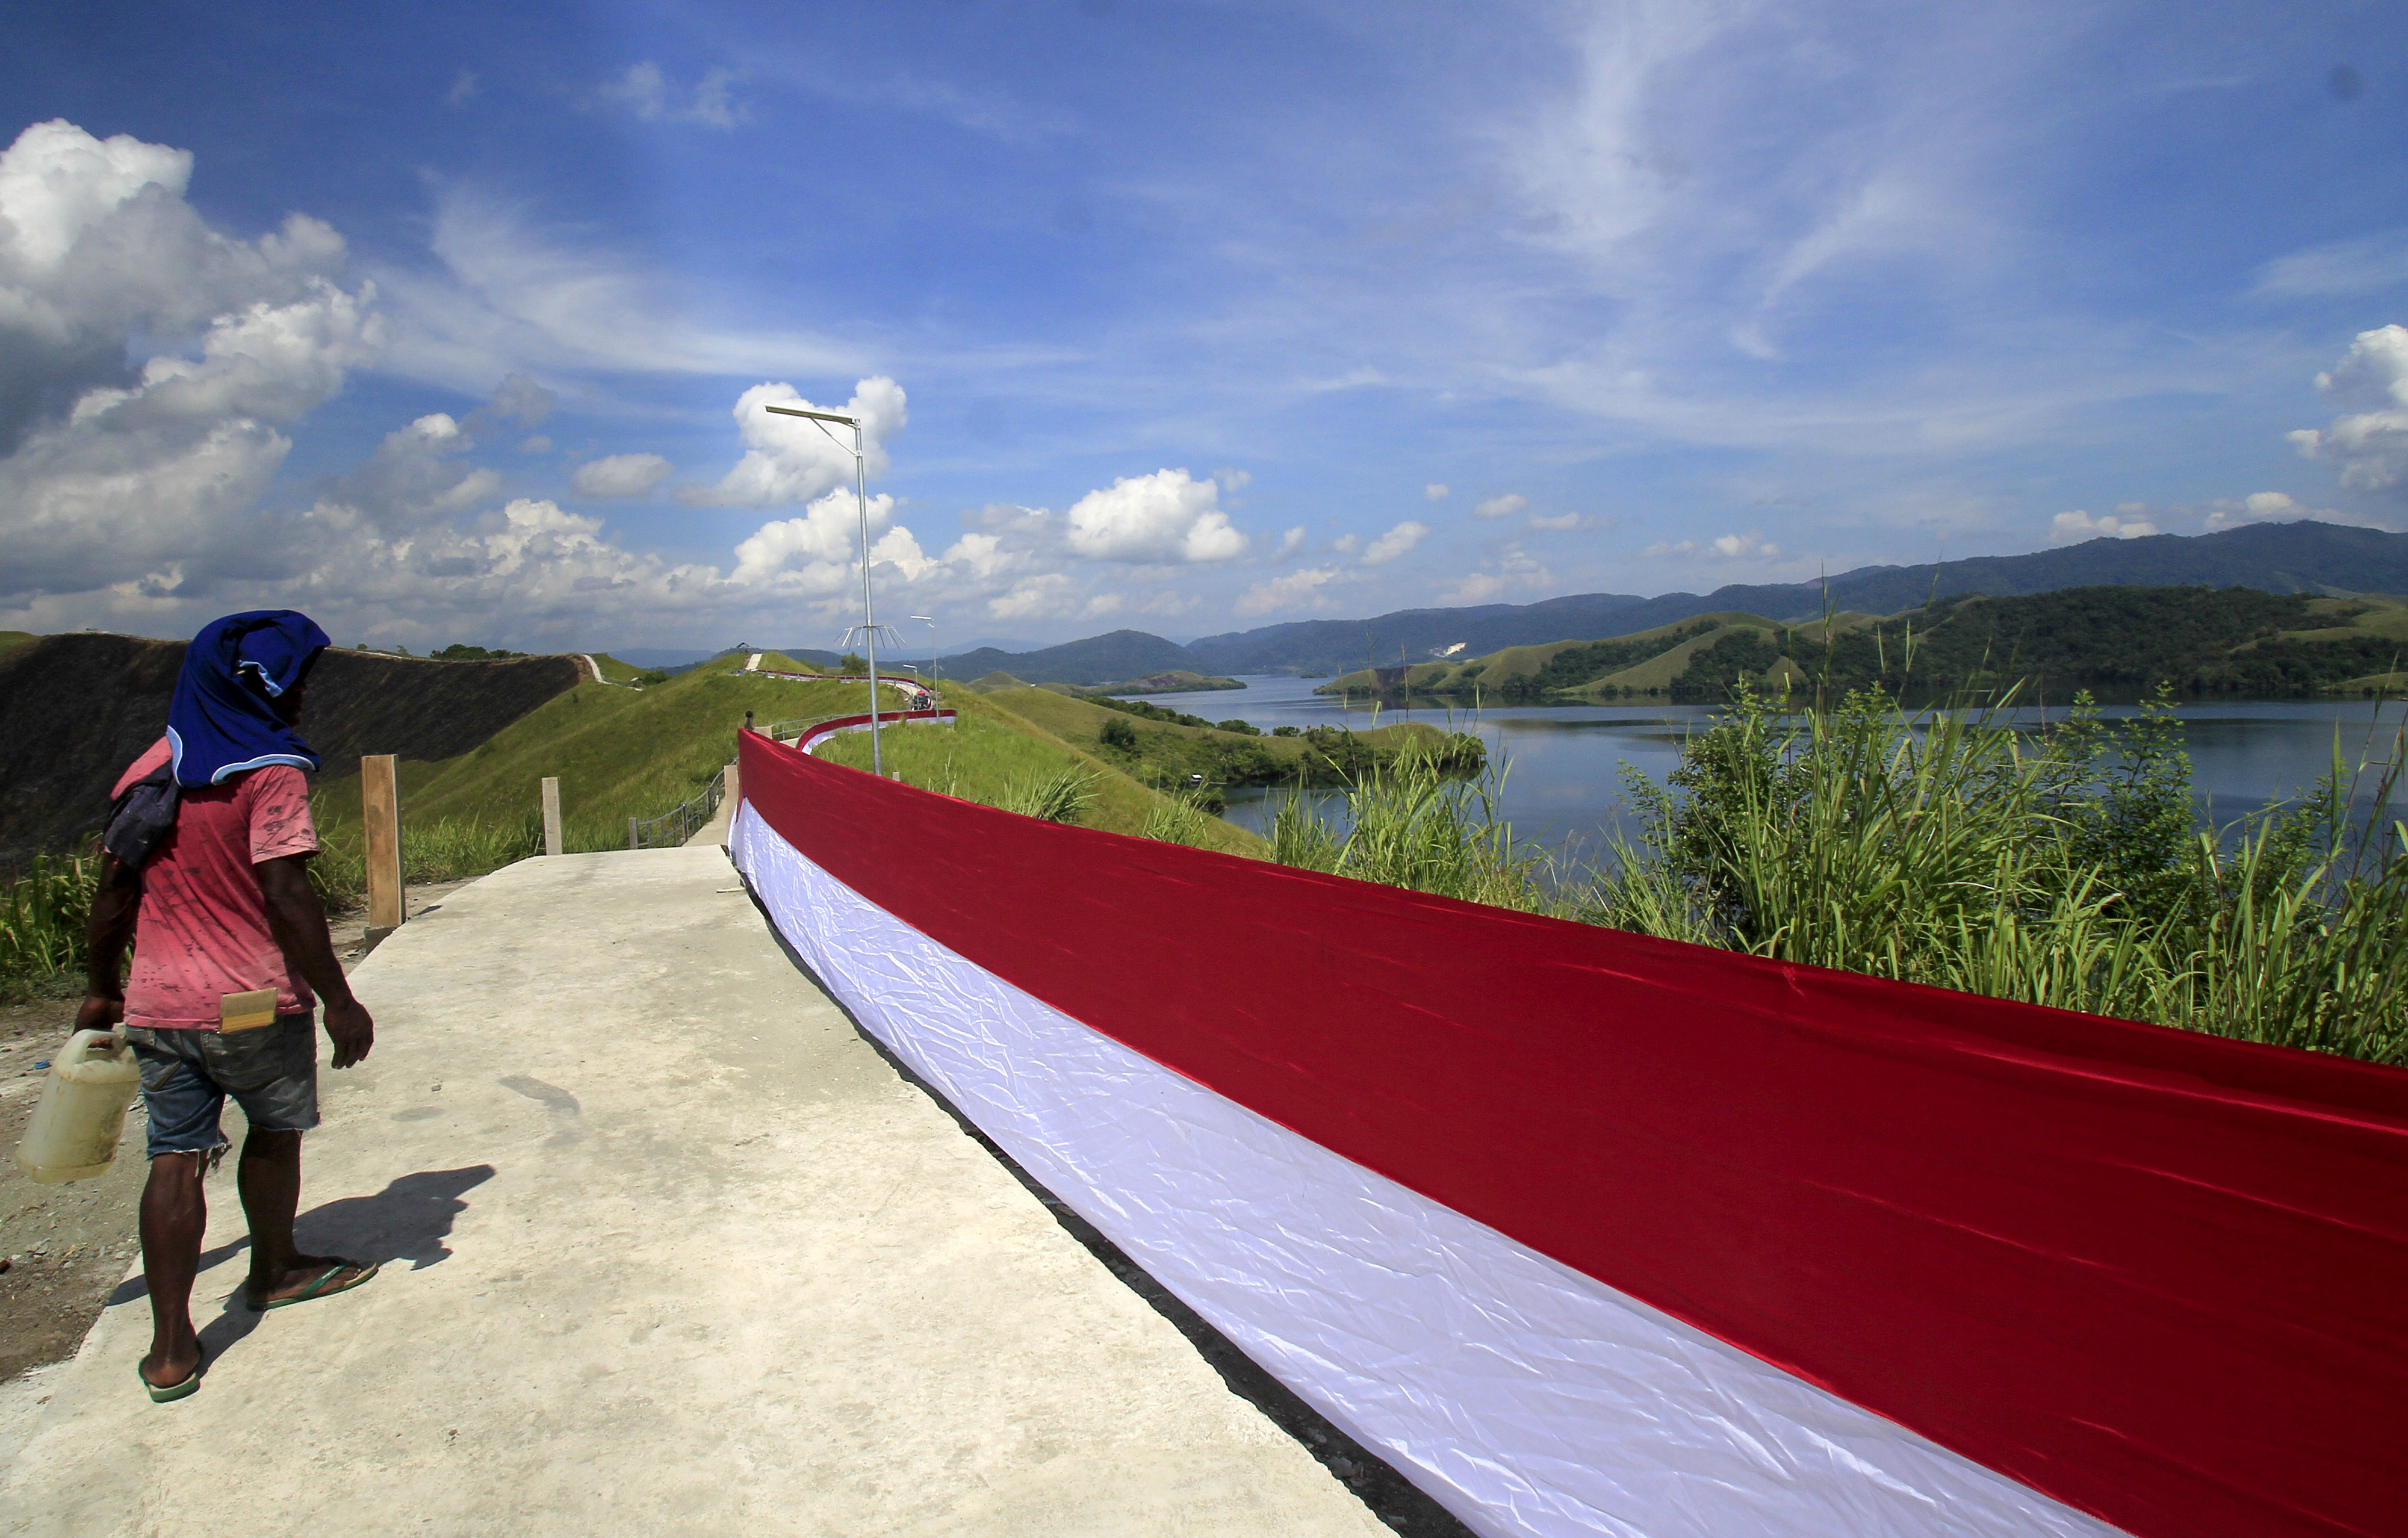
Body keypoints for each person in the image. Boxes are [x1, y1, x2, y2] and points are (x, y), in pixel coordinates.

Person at [79, 610, 379, 1403]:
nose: (303, 698)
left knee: (174, 1157)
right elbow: (286, 893)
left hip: (160, 1006)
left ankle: (172, 1347)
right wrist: (340, 1001)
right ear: (265, 688)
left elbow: (112, 898)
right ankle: (275, 1267)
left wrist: (102, 988)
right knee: (274, 1133)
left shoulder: (152, 769)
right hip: (251, 1003)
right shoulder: (269, 774)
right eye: (297, 682)